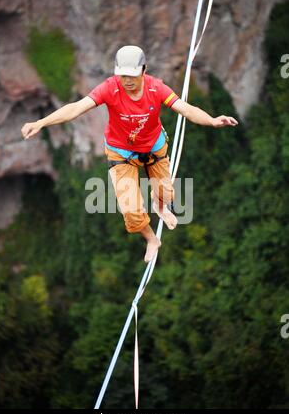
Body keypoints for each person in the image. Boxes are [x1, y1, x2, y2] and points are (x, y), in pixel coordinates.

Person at [21, 45, 238, 262]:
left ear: (144, 70)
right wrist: (41, 122)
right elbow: (76, 108)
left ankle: (159, 204)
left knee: (166, 195)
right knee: (131, 211)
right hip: (121, 153)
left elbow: (185, 109)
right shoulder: (109, 88)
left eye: (133, 75)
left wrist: (211, 120)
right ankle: (152, 240)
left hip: (153, 147)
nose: (128, 81)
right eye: (123, 76)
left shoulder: (156, 88)